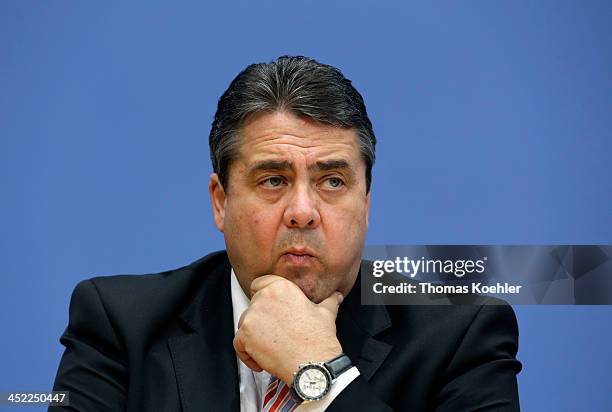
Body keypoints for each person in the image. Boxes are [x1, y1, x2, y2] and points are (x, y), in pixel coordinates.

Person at [50, 56, 522, 411]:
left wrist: (318, 371)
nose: (302, 212)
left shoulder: (462, 335)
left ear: (366, 202)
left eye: (332, 181)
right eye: (273, 180)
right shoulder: (120, 325)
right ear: (221, 201)